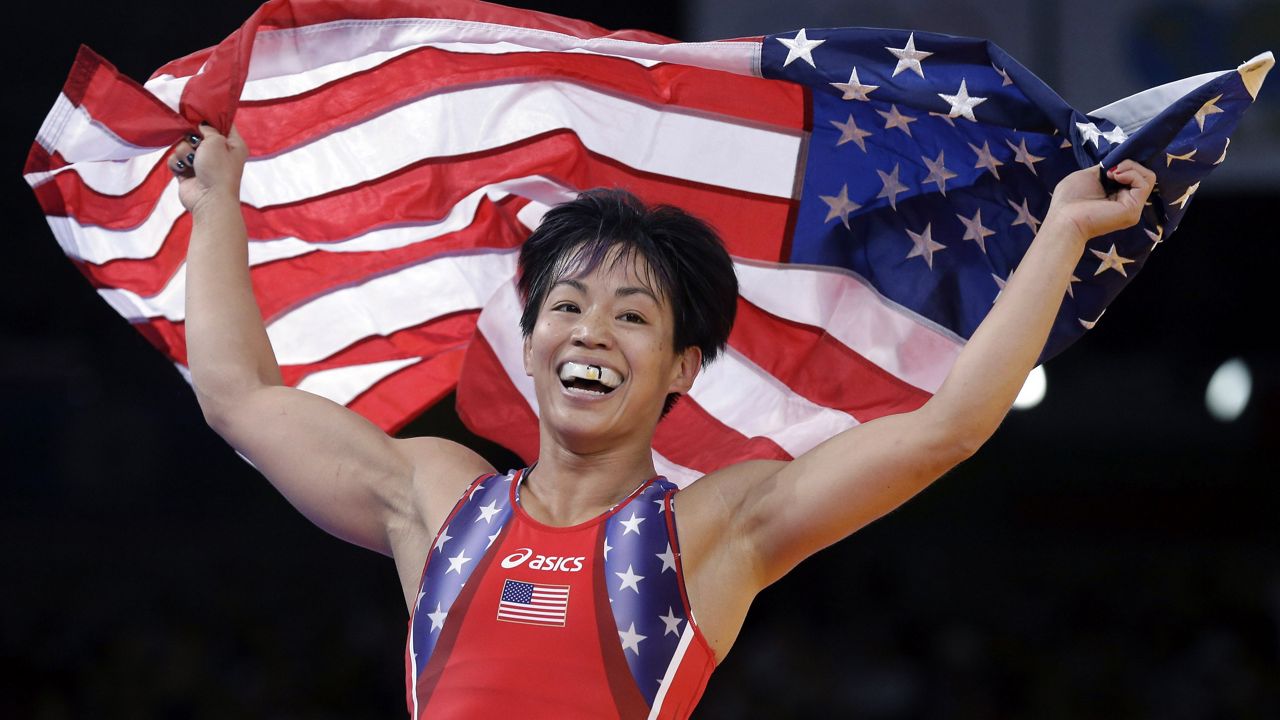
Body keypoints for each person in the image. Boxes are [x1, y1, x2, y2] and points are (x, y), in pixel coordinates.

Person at [169, 123, 1155, 718]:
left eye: (631, 315)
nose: (588, 332)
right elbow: (240, 398)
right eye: (565, 306)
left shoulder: (709, 530)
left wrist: (1062, 232)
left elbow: (944, 429)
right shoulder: (436, 499)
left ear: (683, 368)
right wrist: (215, 201)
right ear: (527, 337)